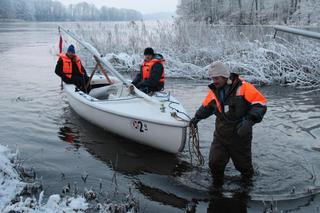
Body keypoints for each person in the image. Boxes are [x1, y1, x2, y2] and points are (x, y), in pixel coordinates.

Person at [189, 62, 267, 188]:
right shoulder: (214, 91)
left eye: (216, 78)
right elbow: (206, 107)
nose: (214, 81)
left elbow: (260, 104)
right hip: (221, 135)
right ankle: (216, 189)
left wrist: (249, 120)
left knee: (244, 168)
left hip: (240, 135)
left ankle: (246, 192)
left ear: (225, 76)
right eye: (212, 78)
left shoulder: (244, 87)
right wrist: (196, 118)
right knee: (215, 164)